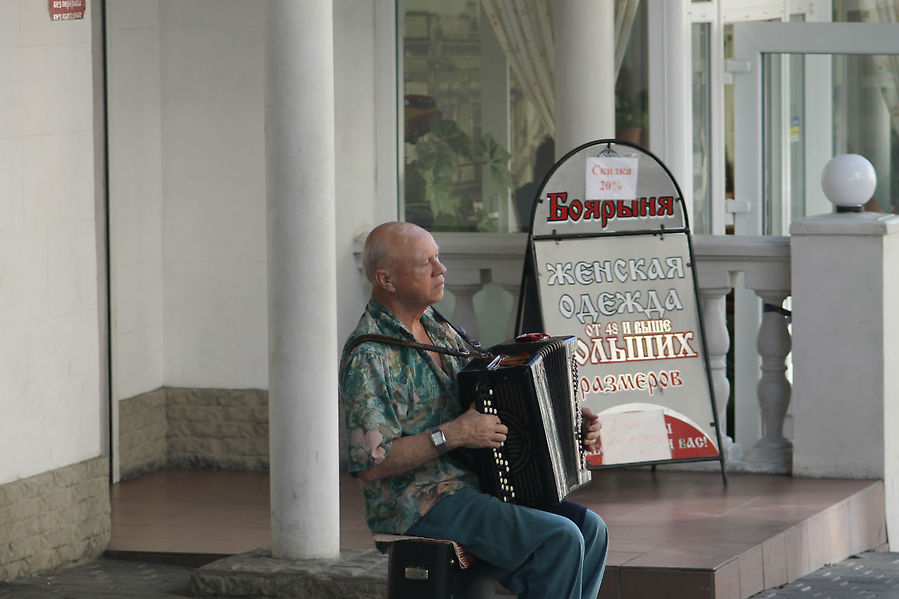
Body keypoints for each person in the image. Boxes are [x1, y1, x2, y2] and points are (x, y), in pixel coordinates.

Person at [339, 221, 608, 599]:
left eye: (438, 257)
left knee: (590, 528)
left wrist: (562, 421)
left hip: (474, 485)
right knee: (558, 539)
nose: (441, 268)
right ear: (387, 279)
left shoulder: (439, 328)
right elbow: (371, 464)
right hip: (418, 502)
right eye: (425, 262)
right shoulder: (370, 355)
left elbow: (492, 396)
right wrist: (454, 434)